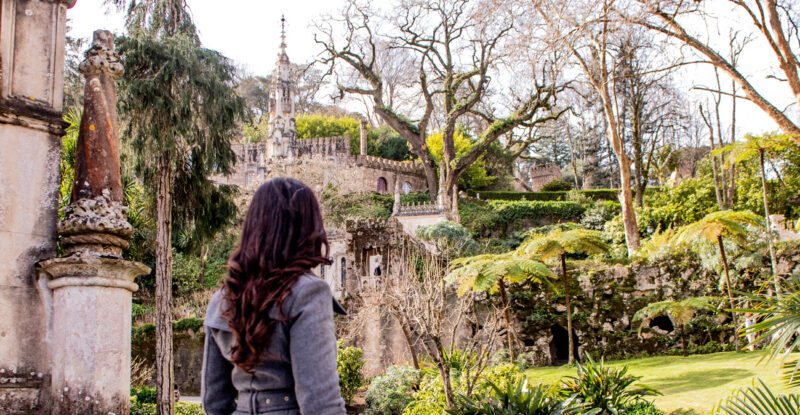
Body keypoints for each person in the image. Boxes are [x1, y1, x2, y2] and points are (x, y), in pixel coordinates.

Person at [202, 178, 347, 415]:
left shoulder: (223, 298)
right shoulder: (308, 292)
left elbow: (213, 401)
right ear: (308, 227)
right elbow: (321, 405)